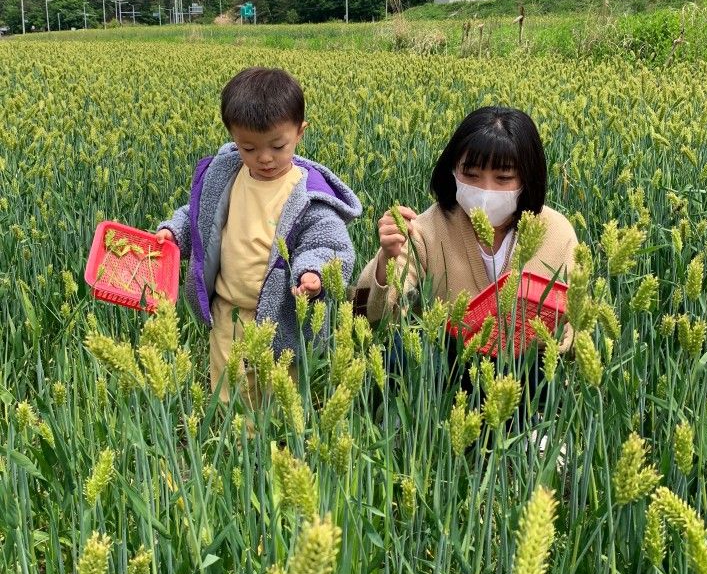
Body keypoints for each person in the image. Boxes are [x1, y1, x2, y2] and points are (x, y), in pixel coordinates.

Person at [156, 67, 362, 405]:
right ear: (233, 138)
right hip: (228, 313)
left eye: (277, 146)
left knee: (281, 401)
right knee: (230, 399)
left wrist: (312, 272)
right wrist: (173, 232)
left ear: (300, 133)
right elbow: (196, 215)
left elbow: (328, 243)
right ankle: (238, 450)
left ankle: (276, 453)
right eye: (249, 148)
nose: (264, 158)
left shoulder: (308, 193)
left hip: (282, 318)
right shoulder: (226, 175)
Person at [355, 106, 577, 332]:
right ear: (452, 171)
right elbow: (379, 322)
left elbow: (577, 322)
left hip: (535, 362)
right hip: (446, 363)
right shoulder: (423, 231)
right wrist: (387, 259)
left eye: (503, 178)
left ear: (528, 178)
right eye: (471, 175)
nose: (485, 191)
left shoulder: (556, 233)